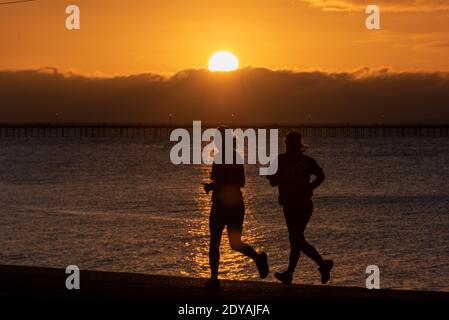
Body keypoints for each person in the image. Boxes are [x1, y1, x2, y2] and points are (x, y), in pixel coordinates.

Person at [203, 126, 269, 290]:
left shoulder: (219, 157)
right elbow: (241, 182)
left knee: (215, 242)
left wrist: (211, 187)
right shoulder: (236, 156)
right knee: (235, 243)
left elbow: (224, 181)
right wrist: (216, 184)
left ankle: (213, 280)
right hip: (236, 205)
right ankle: (257, 258)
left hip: (221, 205)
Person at [267, 131, 333, 285]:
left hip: (302, 204)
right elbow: (272, 181)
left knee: (296, 238)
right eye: (288, 143)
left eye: (291, 143)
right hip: (290, 204)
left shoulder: (303, 160)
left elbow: (321, 176)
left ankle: (318, 265)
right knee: (296, 239)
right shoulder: (282, 160)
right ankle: (314, 267)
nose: (289, 146)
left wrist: (310, 187)